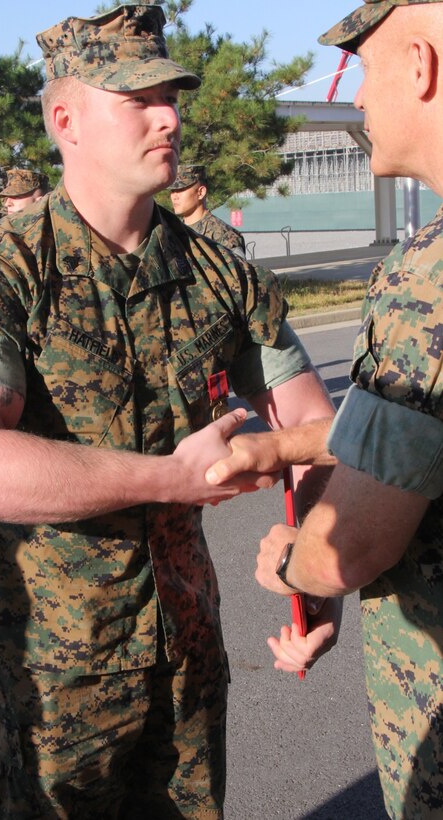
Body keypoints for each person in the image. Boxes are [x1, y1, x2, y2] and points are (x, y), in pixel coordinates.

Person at [0, 5, 339, 817]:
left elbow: (313, 431)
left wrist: (317, 572)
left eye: (171, 95)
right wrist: (169, 478)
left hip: (186, 646)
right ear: (65, 118)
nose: (170, 116)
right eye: (138, 98)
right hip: (51, 668)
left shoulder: (222, 275)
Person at [206, 2, 443, 817]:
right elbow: (419, 430)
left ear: (420, 67)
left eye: (367, 74)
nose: (359, 104)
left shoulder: (432, 273)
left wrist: (291, 565)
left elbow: (353, 547)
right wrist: (284, 448)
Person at [169, 164, 247, 258]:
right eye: (172, 190)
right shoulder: (171, 232)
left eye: (181, 189)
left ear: (201, 192)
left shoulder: (224, 236)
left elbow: (241, 271)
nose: (174, 196)